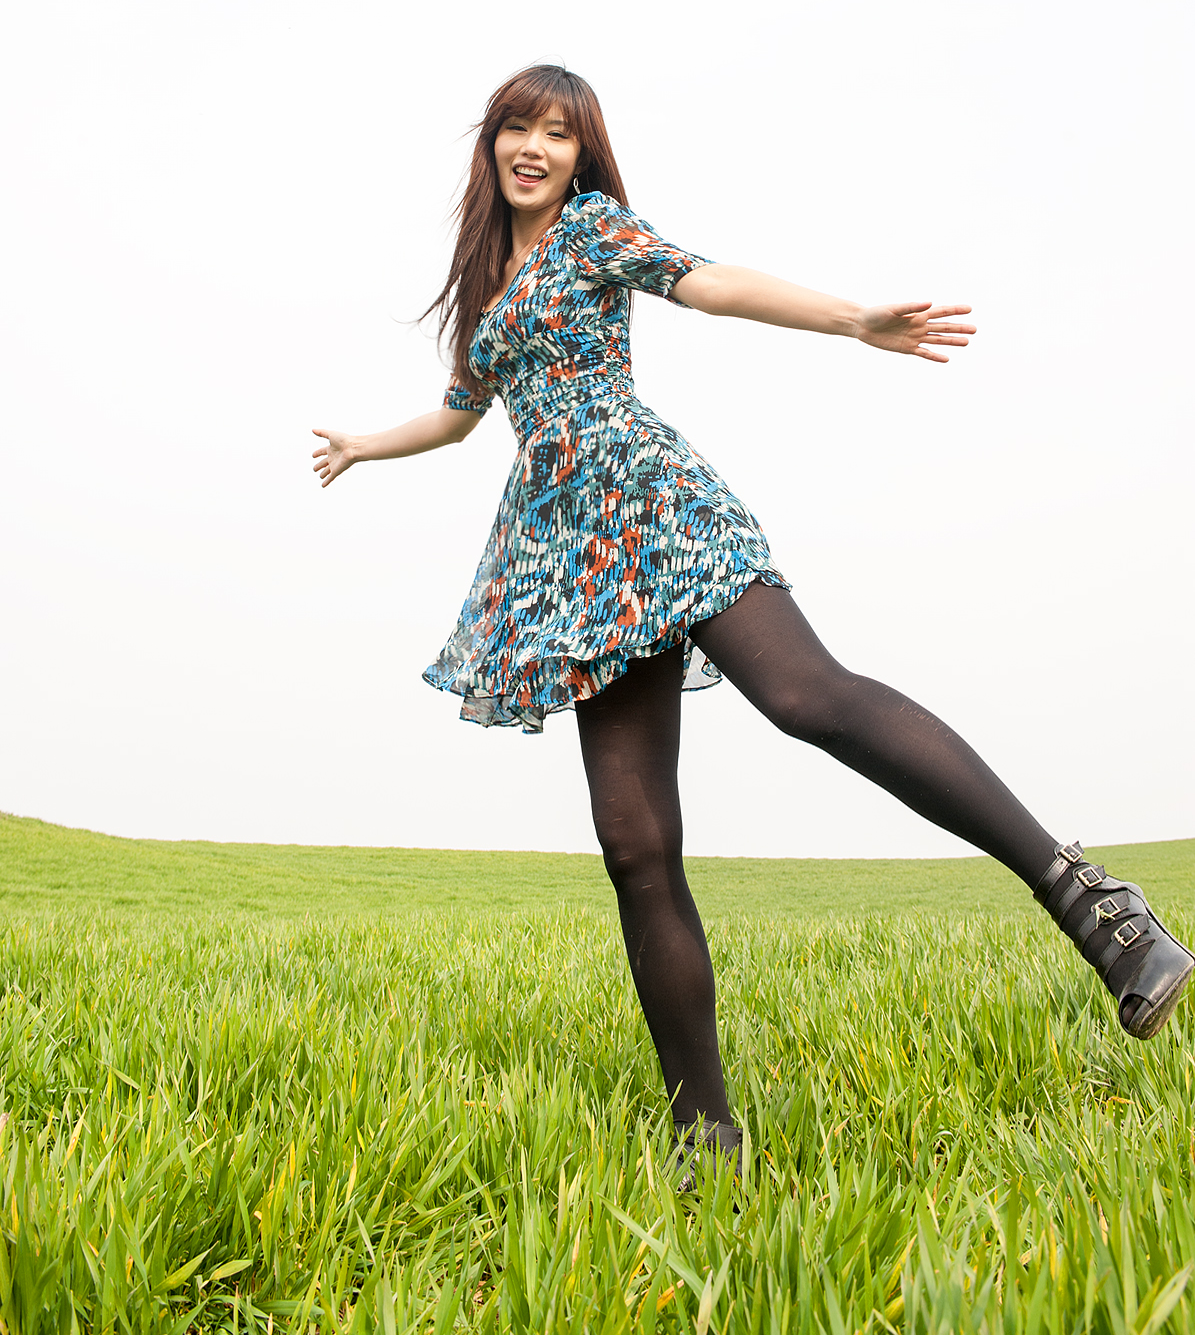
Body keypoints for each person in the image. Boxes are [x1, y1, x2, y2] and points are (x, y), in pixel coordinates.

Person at [313, 64, 1192, 1169]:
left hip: (653, 498)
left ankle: (1094, 906)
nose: (534, 147)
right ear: (491, 142)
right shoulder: (488, 281)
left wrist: (852, 319)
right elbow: (457, 416)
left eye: (558, 133)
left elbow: (707, 282)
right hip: (572, 561)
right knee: (635, 844)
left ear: (582, 157)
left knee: (805, 696)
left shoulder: (592, 230)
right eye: (517, 128)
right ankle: (706, 1134)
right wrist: (362, 444)